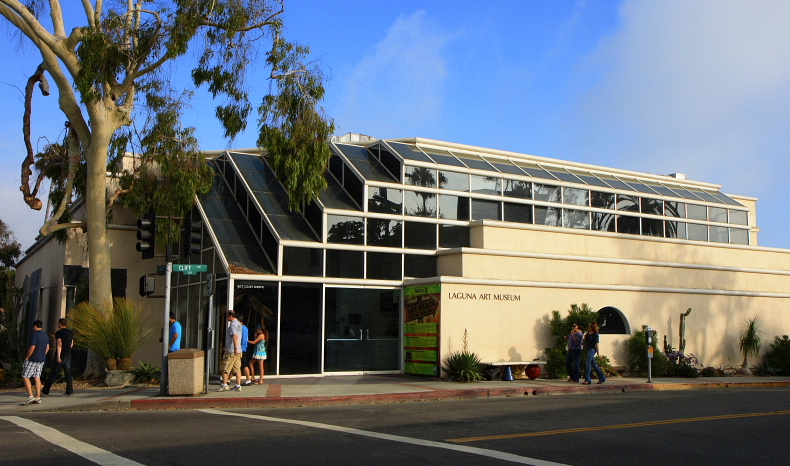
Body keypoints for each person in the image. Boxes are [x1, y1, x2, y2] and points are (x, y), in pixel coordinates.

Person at [42, 318, 74, 396]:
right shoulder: (70, 332)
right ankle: (69, 391)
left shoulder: (59, 333)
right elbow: (71, 344)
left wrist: (58, 356)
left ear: (60, 324)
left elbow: (59, 344)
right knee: (68, 373)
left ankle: (46, 390)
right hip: (68, 354)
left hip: (61, 354)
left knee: (54, 373)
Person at [21, 320, 50, 405]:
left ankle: (30, 396)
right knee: (37, 377)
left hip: (33, 358)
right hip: (41, 359)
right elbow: (47, 348)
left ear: (35, 326)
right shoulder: (45, 335)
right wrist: (42, 354)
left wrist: (27, 357)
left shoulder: (35, 335)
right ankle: (38, 397)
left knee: (25, 376)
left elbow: (32, 347)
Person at [217, 310, 243, 392]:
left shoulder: (232, 325)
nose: (227, 318)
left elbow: (235, 336)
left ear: (231, 316)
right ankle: (238, 385)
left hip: (232, 350)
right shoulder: (239, 324)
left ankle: (224, 384)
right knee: (237, 368)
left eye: (227, 316)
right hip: (239, 350)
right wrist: (238, 348)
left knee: (225, 368)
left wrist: (234, 348)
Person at [237, 315, 253, 386]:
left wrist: (239, 347)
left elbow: (243, 339)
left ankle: (248, 379)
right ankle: (248, 379)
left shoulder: (242, 328)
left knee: (243, 364)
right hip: (242, 348)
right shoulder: (244, 328)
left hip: (241, 348)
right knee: (241, 364)